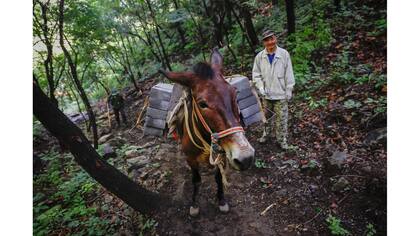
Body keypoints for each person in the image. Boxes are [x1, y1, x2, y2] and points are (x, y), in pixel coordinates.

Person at [252, 29, 295, 149]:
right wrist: (260, 87)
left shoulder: (284, 54)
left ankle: (282, 140)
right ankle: (266, 135)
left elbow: (289, 73)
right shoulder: (260, 57)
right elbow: (256, 75)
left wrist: (289, 89)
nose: (270, 42)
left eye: (271, 38)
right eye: (267, 40)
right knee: (266, 118)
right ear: (263, 43)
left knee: (282, 119)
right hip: (266, 94)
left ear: (275, 39)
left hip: (281, 94)